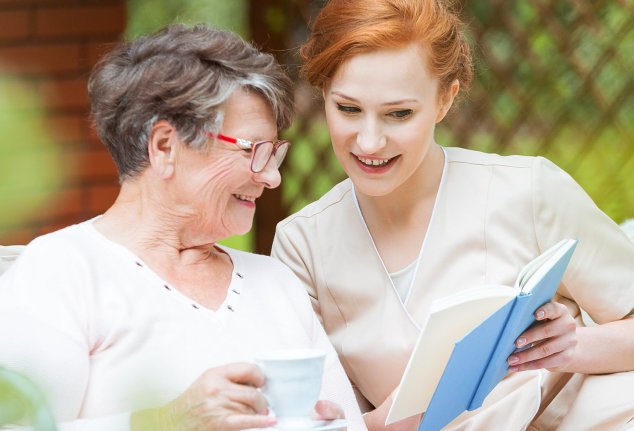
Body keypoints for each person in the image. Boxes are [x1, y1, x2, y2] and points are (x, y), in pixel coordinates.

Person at [271, 1, 634, 430]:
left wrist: (572, 346)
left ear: (445, 98)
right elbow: (311, 415)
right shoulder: (302, 246)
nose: (369, 142)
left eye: (399, 113)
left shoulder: (529, 190)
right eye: (348, 109)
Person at [0, 24, 366, 431]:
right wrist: (170, 421)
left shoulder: (276, 283)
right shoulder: (62, 270)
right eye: (253, 150)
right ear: (165, 147)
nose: (272, 178)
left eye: (273, 153)